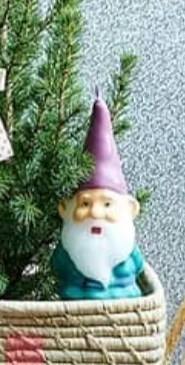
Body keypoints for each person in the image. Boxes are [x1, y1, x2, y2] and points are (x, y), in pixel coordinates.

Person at [52, 95, 145, 301]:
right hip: (73, 309)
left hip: (124, 310)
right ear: (65, 209)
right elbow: (57, 267)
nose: (95, 213)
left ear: (129, 208)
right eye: (85, 204)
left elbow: (138, 267)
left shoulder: (127, 250)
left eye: (107, 204)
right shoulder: (67, 251)